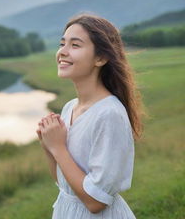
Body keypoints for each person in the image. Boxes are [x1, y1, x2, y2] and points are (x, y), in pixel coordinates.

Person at [36, 13, 146, 218]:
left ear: (101, 58)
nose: (62, 52)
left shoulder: (109, 114)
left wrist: (58, 147)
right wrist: (48, 146)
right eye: (62, 43)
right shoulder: (69, 108)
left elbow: (96, 202)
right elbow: (65, 184)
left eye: (75, 45)